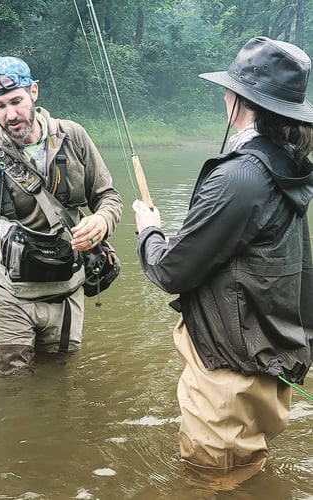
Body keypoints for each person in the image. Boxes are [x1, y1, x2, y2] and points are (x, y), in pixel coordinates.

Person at [133, 36, 313, 482]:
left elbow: (169, 270)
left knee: (209, 482)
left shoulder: (240, 176)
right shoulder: (287, 166)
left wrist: (148, 230)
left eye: (229, 90)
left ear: (239, 100)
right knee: (247, 475)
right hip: (264, 363)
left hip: (227, 374)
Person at [0, 56, 123, 376]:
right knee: (10, 387)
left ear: (33, 92)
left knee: (58, 378)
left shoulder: (74, 138)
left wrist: (102, 221)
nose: (11, 114)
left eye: (16, 101)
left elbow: (108, 197)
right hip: (5, 297)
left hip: (65, 293)